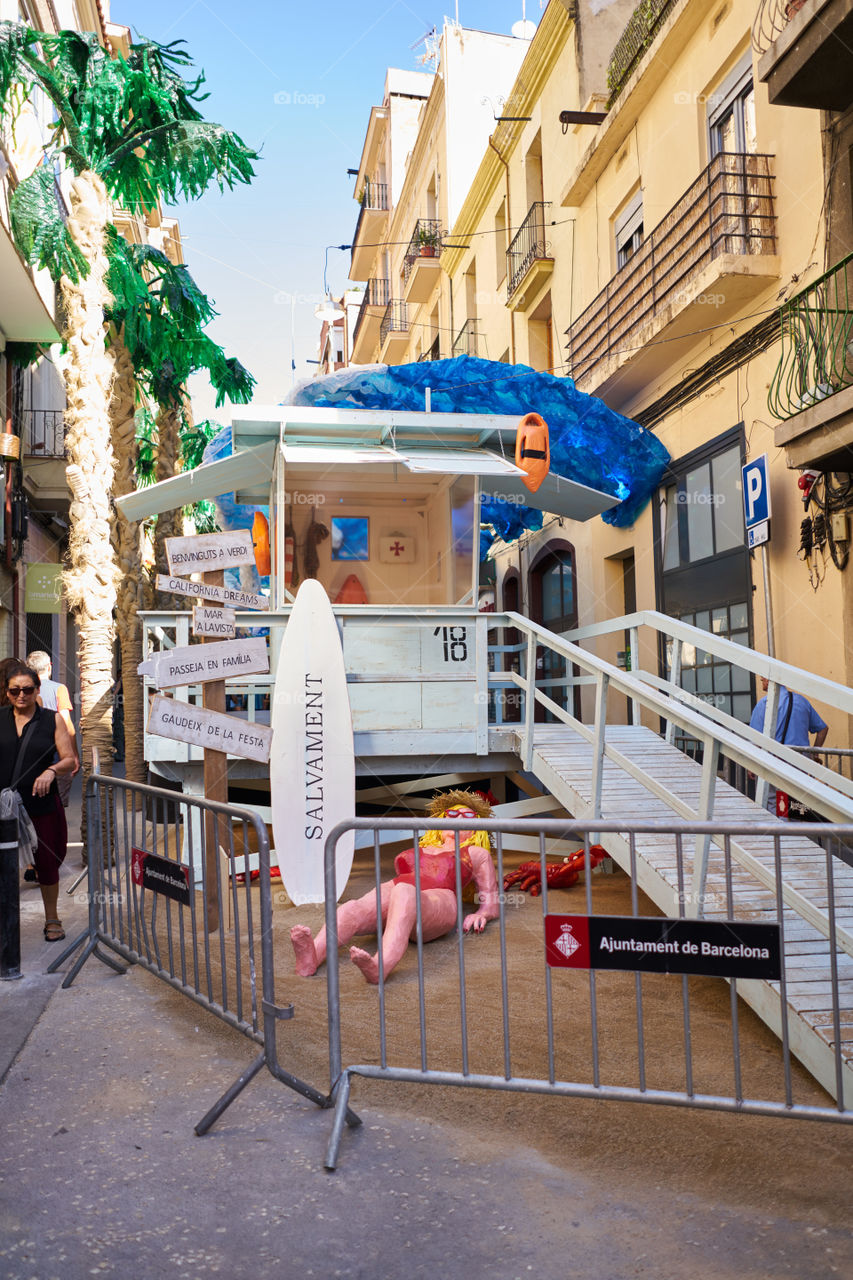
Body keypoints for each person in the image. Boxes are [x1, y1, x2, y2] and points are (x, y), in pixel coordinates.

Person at [290, 790, 500, 985]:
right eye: (452, 815)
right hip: (400, 892)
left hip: (439, 899)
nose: (459, 819)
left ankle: (380, 966)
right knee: (351, 908)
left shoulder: (475, 853)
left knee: (405, 892)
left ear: (476, 829)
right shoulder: (424, 846)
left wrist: (483, 913)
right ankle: (311, 957)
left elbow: (491, 903)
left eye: (468, 816)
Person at [0, 660, 77, 940]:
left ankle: (52, 918)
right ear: (7, 692)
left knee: (46, 860)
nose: (21, 695)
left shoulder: (51, 719)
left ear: (37, 689)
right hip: (3, 806)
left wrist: (50, 770)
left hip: (41, 802)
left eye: (27, 690)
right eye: (14, 690)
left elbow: (69, 759)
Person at [749, 677, 828, 813]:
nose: (761, 680)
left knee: (773, 801)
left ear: (770, 681)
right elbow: (822, 729)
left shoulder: (764, 704)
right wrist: (814, 753)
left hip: (774, 761)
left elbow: (755, 740)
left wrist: (751, 765)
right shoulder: (802, 701)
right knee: (795, 803)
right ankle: (796, 831)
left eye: (763, 678)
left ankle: (779, 831)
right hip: (800, 762)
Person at [26, 650, 79, 805]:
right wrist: (74, 755)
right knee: (57, 803)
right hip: (57, 756)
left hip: (31, 757)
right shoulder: (59, 689)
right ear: (49, 667)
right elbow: (66, 723)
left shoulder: (22, 690)